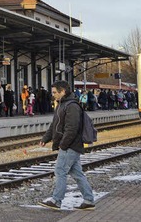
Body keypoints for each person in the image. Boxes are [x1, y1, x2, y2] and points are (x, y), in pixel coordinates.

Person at [39, 80, 95, 211]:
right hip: (70, 145)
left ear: (62, 91)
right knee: (77, 174)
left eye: (55, 92)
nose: (53, 95)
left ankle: (56, 200)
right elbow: (54, 124)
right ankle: (89, 200)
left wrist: (63, 145)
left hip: (71, 145)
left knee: (60, 170)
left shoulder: (72, 106)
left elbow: (72, 128)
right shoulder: (61, 105)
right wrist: (46, 138)